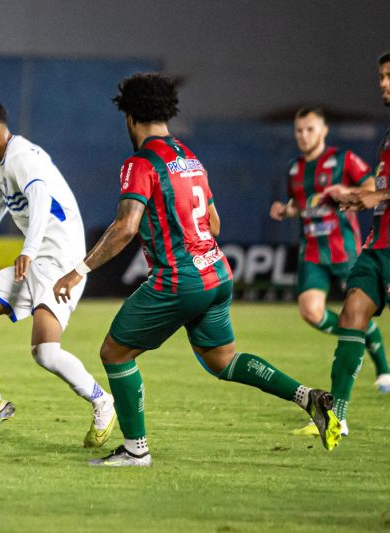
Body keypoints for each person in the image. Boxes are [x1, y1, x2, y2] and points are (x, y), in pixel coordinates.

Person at [53, 73, 341, 467]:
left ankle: (136, 449)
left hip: (178, 278)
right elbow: (215, 225)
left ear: (130, 117)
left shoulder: (141, 163)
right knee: (223, 360)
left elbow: (126, 226)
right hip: (216, 271)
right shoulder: (190, 159)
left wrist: (79, 269)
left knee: (114, 353)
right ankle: (307, 396)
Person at [0, 97, 117, 447]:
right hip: (37, 259)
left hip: (59, 262)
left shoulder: (23, 158)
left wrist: (27, 249)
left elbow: (40, 198)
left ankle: (103, 401)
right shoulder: (4, 162)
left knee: (46, 352)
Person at [269, 107, 390, 400]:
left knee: (357, 309)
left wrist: (345, 190)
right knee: (310, 311)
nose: (303, 135)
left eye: (310, 129)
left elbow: (374, 185)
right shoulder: (294, 169)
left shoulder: (342, 159)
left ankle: (384, 369)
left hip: (343, 248)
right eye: (299, 130)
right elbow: (302, 204)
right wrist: (286, 210)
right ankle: (361, 333)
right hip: (311, 250)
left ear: (323, 131)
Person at [321, 52, 390, 436]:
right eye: (381, 75)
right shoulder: (386, 138)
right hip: (377, 248)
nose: (382, 83)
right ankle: (337, 416)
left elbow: (381, 194)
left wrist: (375, 199)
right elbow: (378, 186)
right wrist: (355, 194)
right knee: (351, 315)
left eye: (389, 76)